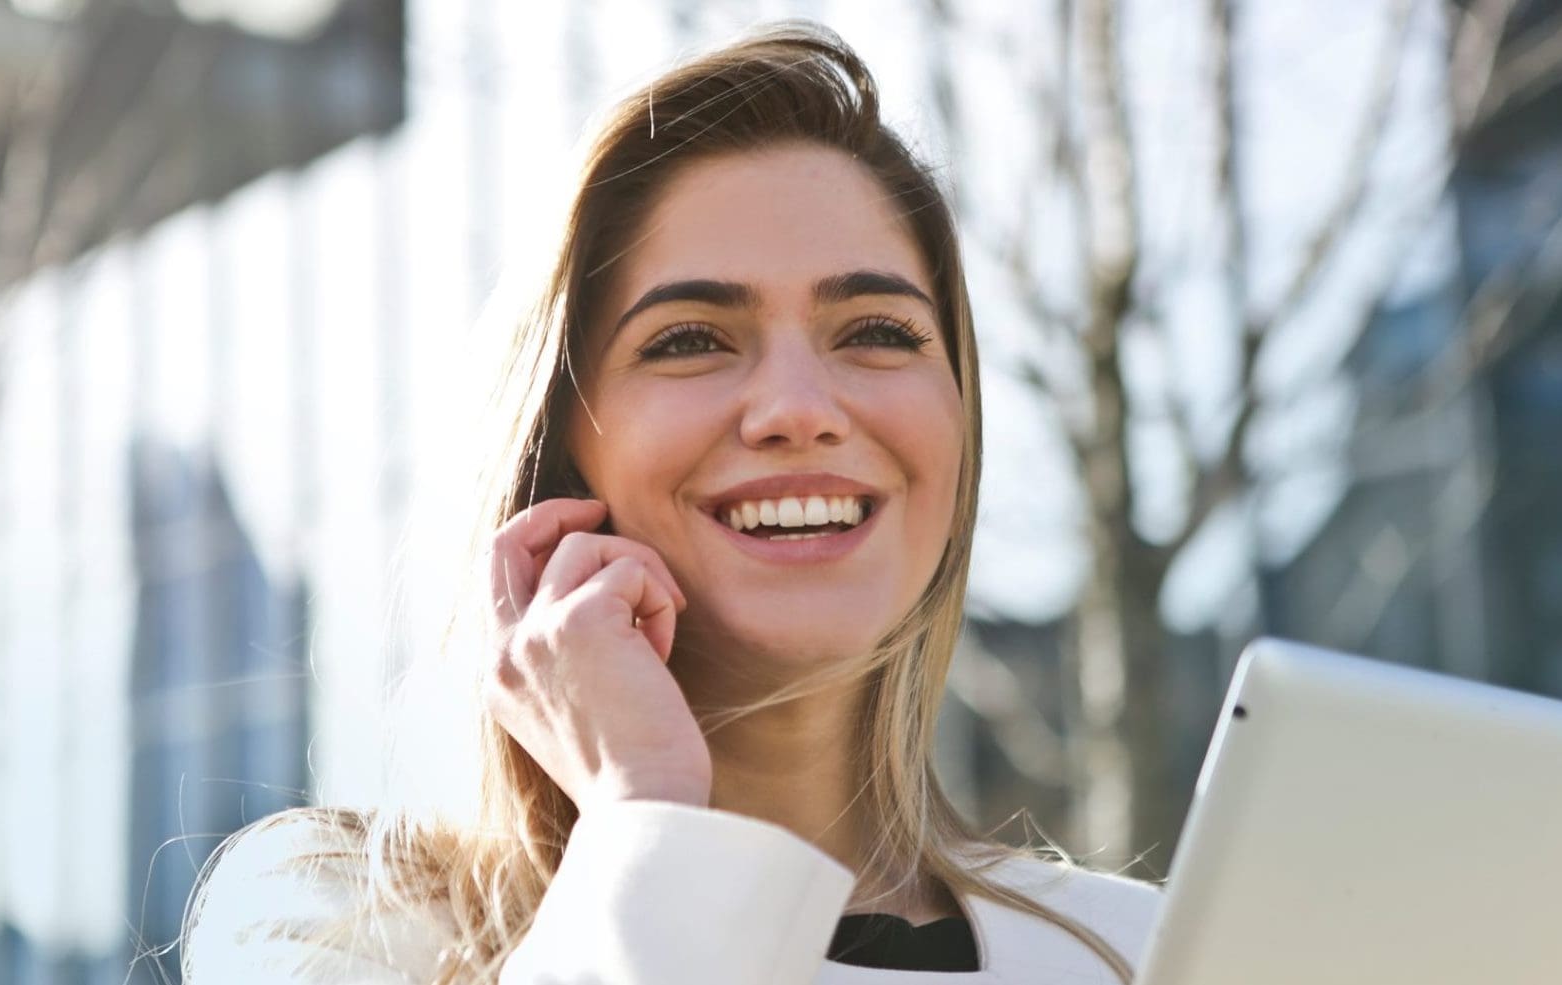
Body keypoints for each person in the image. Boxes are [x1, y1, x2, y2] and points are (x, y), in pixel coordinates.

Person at [181, 20, 1161, 984]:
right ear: (560, 445)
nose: (798, 410)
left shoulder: (1141, 950)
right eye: (690, 338)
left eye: (876, 329)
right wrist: (647, 819)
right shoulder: (341, 925)